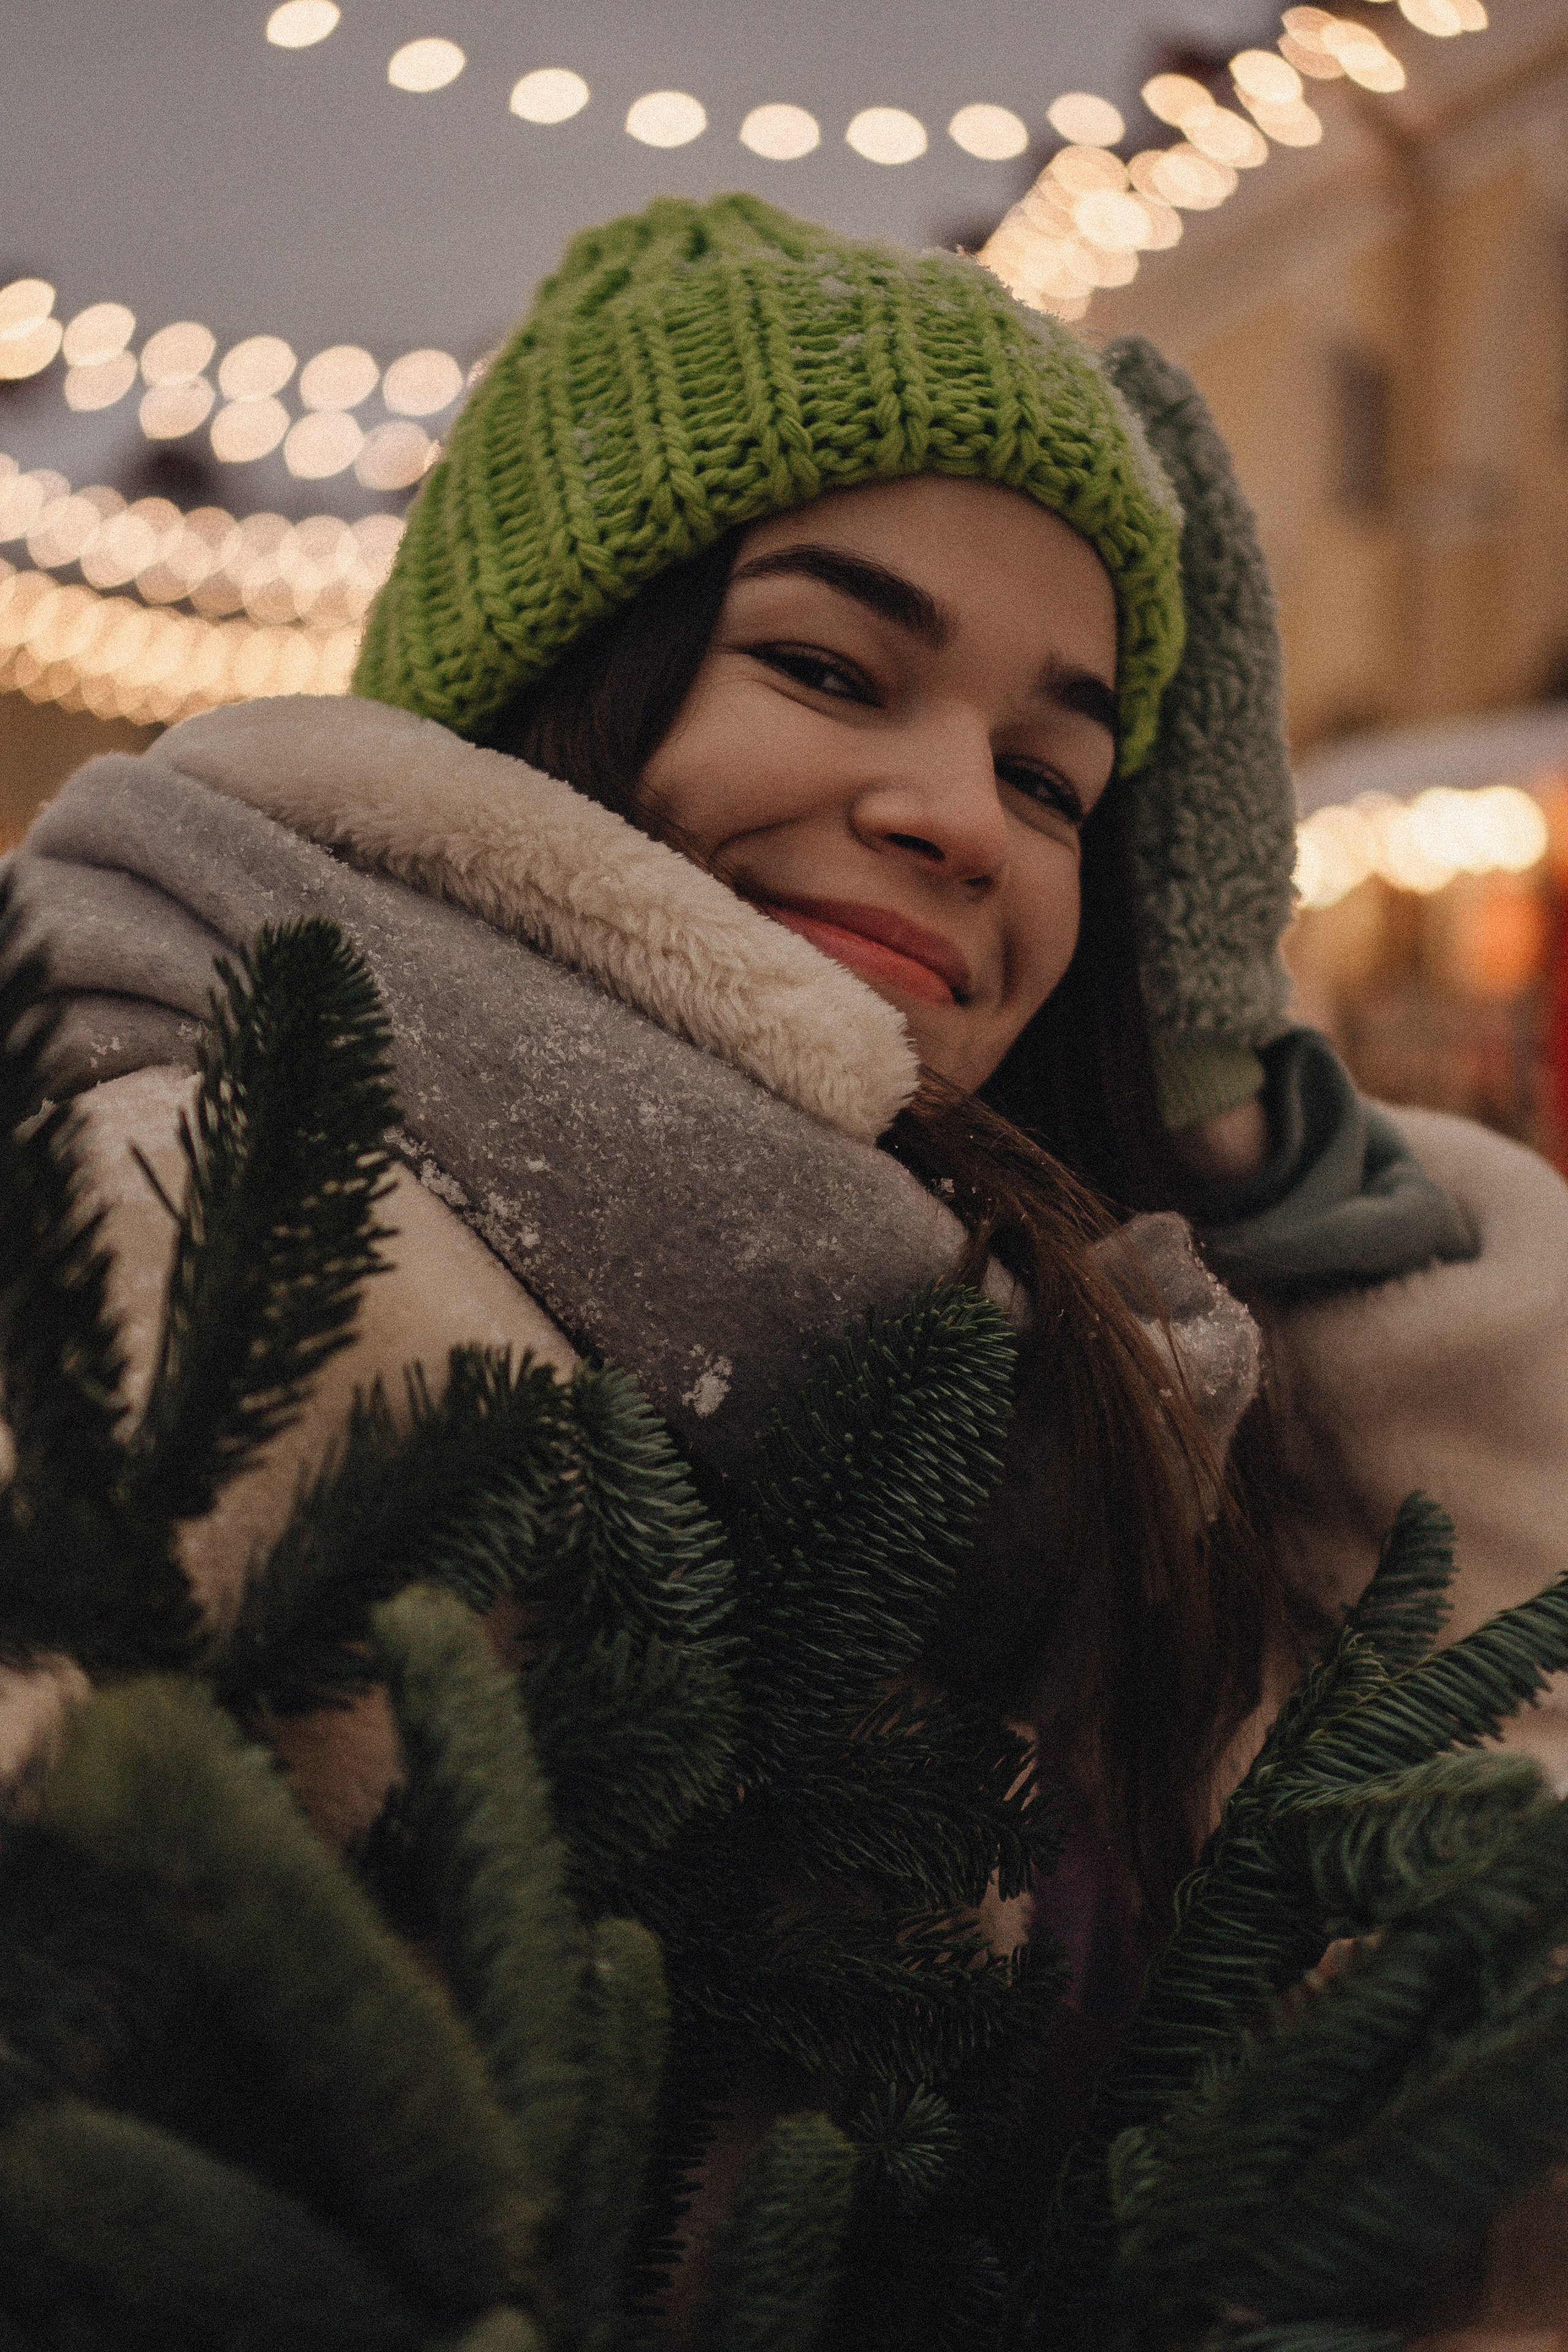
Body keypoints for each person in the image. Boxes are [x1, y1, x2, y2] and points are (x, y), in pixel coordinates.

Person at [7, 194, 1568, 2055]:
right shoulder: (207, 1223)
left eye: (1049, 775)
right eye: (828, 669)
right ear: (549, 685)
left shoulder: (1044, 1360)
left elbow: (1445, 1995)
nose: (964, 819)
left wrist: (1238, 1145)